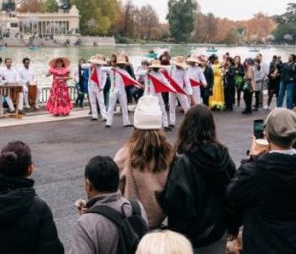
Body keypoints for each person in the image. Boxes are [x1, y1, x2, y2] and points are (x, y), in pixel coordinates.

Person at [161, 105, 236, 253]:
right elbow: (234, 191)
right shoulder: (223, 156)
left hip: (190, 237)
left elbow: (174, 201)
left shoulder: (183, 162)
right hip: (217, 231)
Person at [226, 108, 296, 254]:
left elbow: (232, 195)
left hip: (260, 245)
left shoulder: (253, 172)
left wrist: (250, 159)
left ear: (267, 135)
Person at [114, 96, 175, 229]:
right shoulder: (169, 153)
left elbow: (114, 191)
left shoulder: (124, 154)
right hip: (160, 222)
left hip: (133, 223)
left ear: (136, 126)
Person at [69, 155, 149, 254]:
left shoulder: (85, 225)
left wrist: (87, 219)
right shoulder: (136, 208)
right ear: (117, 181)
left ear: (88, 185)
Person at [102, 55, 135, 128]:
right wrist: (105, 63)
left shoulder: (124, 71)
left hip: (121, 90)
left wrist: (139, 85)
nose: (121, 65)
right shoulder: (110, 69)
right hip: (113, 90)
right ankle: (108, 122)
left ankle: (126, 122)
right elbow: (101, 68)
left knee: (124, 106)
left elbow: (132, 80)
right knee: (111, 107)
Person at [144, 60, 172, 131]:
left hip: (157, 94)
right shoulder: (147, 73)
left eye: (157, 67)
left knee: (162, 109)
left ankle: (165, 125)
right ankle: (146, 125)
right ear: (152, 67)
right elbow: (137, 73)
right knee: (147, 110)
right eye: (155, 67)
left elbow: (166, 83)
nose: (157, 68)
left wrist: (173, 89)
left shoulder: (160, 74)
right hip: (148, 94)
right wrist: (147, 70)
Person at [167, 56, 191, 129]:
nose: (179, 66)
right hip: (171, 89)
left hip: (180, 90)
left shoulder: (184, 70)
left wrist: (189, 92)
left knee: (186, 105)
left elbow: (187, 81)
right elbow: (162, 68)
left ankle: (190, 121)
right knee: (171, 106)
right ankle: (172, 122)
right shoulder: (170, 68)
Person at [83, 55, 108, 121]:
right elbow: (82, 66)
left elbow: (104, 78)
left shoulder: (102, 68)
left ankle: (104, 116)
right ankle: (94, 116)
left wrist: (102, 86)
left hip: (98, 86)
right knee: (92, 101)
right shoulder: (91, 66)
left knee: (101, 101)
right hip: (91, 86)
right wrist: (91, 64)